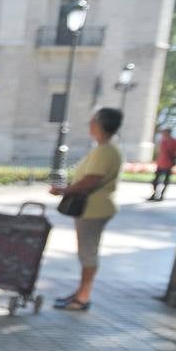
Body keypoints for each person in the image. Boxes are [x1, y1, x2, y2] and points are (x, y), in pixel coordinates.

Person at [49, 107, 125, 312]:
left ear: (100, 124)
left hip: (94, 209)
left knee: (88, 252)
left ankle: (82, 296)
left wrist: (65, 190)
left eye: (92, 121)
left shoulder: (105, 150)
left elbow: (91, 180)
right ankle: (81, 293)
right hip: (93, 208)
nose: (90, 124)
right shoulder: (105, 149)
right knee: (87, 252)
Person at [148, 127, 176, 201]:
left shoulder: (175, 141)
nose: (163, 134)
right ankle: (154, 194)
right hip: (160, 163)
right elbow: (159, 152)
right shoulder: (162, 141)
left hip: (168, 164)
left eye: (164, 133)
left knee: (165, 181)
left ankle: (161, 195)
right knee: (155, 180)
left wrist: (173, 157)